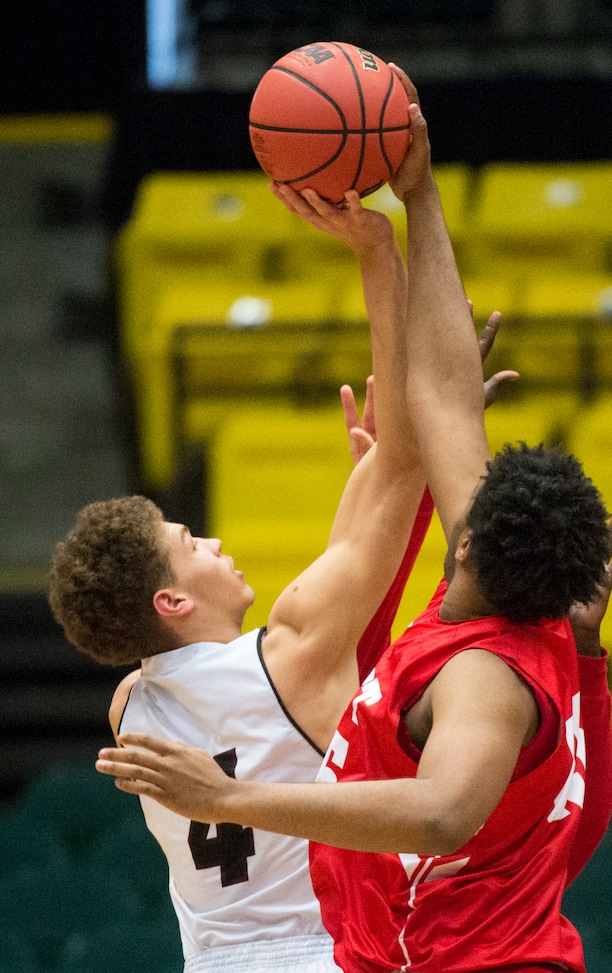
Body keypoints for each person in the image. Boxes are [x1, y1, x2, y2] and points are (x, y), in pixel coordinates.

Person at [94, 68, 612, 973]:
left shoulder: (483, 678)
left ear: (471, 536)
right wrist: (416, 195)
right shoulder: (512, 614)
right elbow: (447, 403)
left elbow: (440, 812)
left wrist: (230, 798)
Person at [50, 186, 513, 973]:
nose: (215, 540)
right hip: (324, 956)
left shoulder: (132, 705)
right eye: (190, 541)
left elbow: (331, 584)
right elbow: (406, 459)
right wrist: (378, 252)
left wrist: (368, 484)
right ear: (172, 600)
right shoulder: (296, 643)